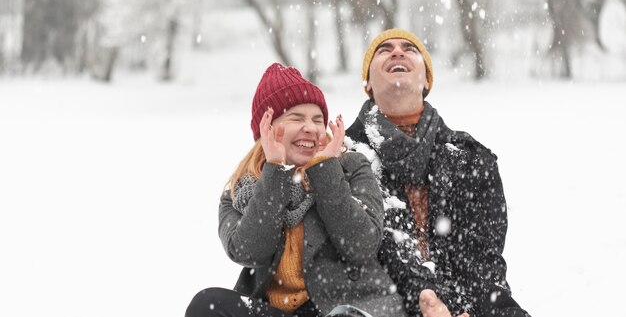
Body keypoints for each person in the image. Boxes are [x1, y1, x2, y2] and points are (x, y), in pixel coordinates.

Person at [186, 63, 409, 317]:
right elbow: (250, 251)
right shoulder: (239, 191)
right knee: (208, 304)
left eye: (317, 119)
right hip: (278, 312)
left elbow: (361, 245)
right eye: (296, 118)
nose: (312, 128)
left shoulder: (350, 167)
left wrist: (325, 171)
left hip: (350, 309)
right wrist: (275, 173)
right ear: (267, 128)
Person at [344, 29, 531, 317]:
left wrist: (460, 309)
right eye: (384, 50)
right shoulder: (341, 158)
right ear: (367, 83)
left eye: (409, 48)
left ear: (427, 79)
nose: (397, 52)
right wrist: (424, 301)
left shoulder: (470, 159)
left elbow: (481, 267)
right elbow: (362, 261)